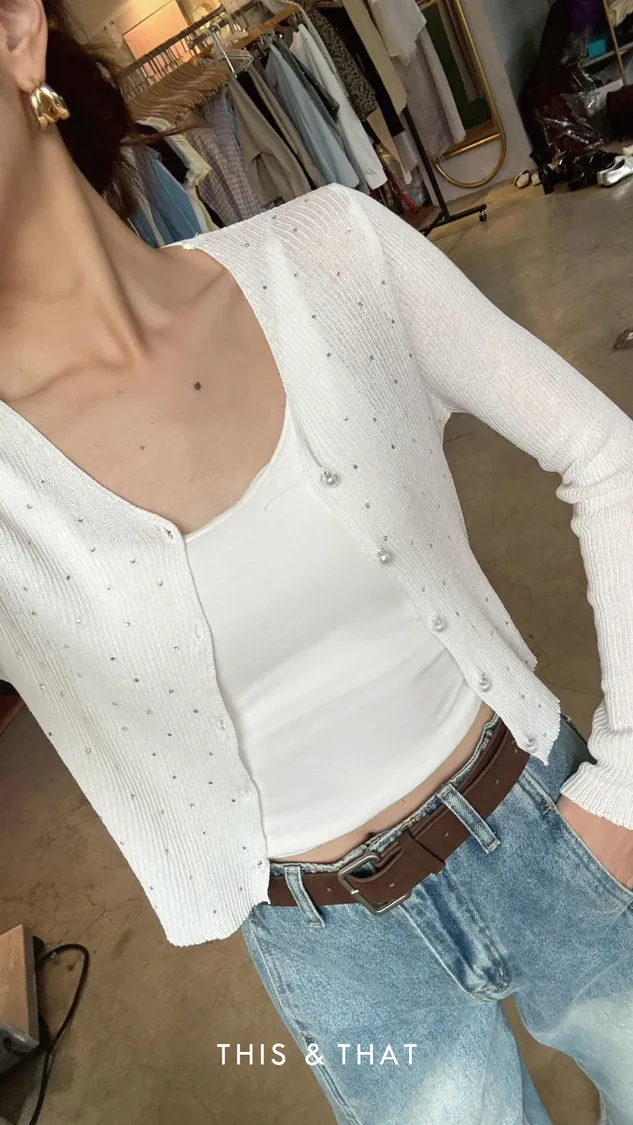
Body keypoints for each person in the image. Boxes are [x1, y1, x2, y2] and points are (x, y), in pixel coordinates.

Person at [2, 1, 633, 1122]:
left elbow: (608, 457)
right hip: (337, 954)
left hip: (544, 820)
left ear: (15, 32)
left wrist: (625, 789)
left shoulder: (329, 254)